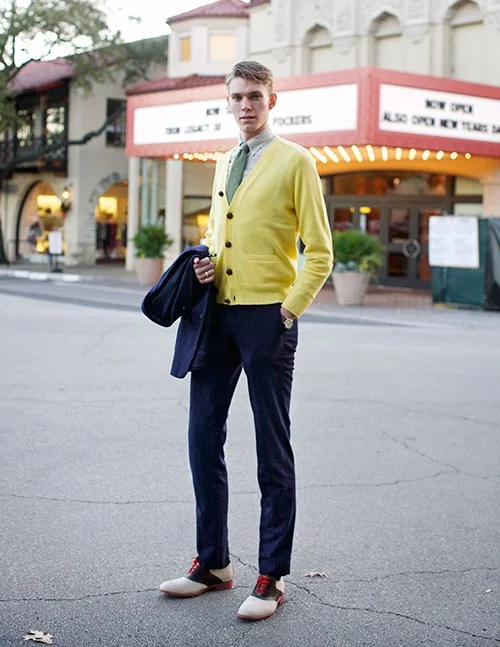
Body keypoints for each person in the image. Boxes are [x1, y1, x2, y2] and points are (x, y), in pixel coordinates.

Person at [159, 60, 333, 621]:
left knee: (270, 448)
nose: (245, 105)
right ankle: (213, 564)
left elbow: (320, 252)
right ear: (228, 102)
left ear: (271, 101)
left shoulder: (296, 161)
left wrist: (288, 309)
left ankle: (271, 576)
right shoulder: (224, 160)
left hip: (267, 319)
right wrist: (205, 264)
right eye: (236, 97)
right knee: (202, 437)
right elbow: (220, 231)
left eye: (255, 96)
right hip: (217, 316)